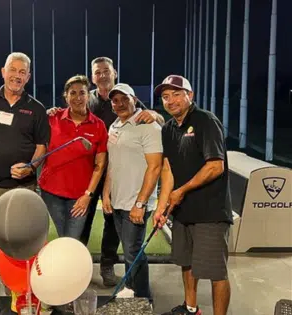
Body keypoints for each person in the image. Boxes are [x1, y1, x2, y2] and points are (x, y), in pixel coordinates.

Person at [48, 56, 165, 286]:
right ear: (93, 77)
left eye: (106, 71)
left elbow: (154, 119)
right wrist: (54, 111)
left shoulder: (124, 96)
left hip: (116, 172)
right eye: (98, 72)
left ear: (114, 73)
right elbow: (69, 113)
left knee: (112, 224)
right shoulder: (88, 99)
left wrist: (156, 114)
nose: (102, 75)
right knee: (83, 219)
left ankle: (108, 265)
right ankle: (78, 267)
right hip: (90, 173)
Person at [0, 52, 50, 299]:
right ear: (3, 72)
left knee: (17, 248)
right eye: (13, 70)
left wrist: (31, 166)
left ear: (28, 77)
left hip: (21, 191)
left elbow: (41, 147)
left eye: (22, 72)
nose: (17, 76)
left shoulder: (36, 108)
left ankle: (16, 297)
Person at [152, 75, 233, 315]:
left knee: (215, 271)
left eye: (177, 94)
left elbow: (215, 166)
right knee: (186, 263)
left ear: (191, 95)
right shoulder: (168, 128)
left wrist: (181, 191)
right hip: (182, 211)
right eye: (166, 97)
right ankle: (191, 308)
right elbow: (168, 169)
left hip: (210, 212)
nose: (171, 100)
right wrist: (161, 205)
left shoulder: (205, 121)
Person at [102, 83, 163, 302]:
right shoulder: (115, 126)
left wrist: (140, 203)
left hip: (136, 201)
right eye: (115, 100)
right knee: (129, 250)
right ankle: (130, 288)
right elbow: (112, 163)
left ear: (134, 100)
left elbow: (155, 167)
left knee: (133, 251)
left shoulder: (148, 125)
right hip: (118, 199)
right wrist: (106, 194)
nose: (119, 104)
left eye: (124, 99)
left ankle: (144, 298)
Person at [39, 75, 107, 239]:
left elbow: (100, 166)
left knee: (72, 238)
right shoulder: (52, 118)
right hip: (51, 192)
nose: (78, 98)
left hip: (80, 195)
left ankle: (71, 264)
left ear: (88, 95)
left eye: (82, 93)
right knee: (65, 237)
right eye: (73, 93)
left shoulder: (98, 125)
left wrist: (88, 196)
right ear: (66, 96)